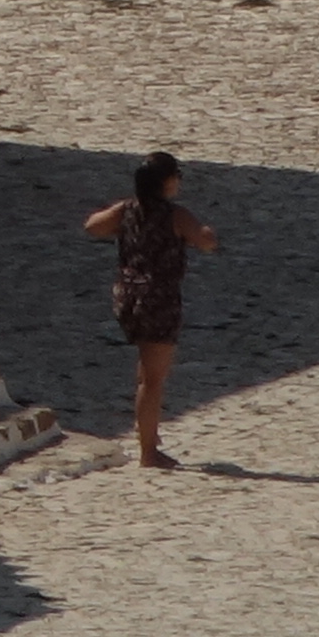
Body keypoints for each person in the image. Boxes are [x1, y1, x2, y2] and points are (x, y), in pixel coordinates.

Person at [81, 149, 222, 469]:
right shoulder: (175, 215)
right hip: (159, 297)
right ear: (168, 182)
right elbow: (205, 241)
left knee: (145, 371)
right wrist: (208, 234)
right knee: (153, 379)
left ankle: (149, 433)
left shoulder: (127, 209)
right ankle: (148, 450)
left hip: (127, 295)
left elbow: (92, 226)